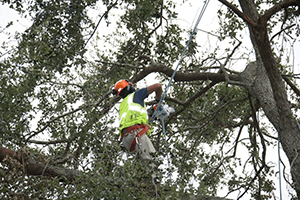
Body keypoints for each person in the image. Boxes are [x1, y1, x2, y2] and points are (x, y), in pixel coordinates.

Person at [112, 79, 162, 160]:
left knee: (143, 168)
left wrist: (152, 113)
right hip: (135, 133)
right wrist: (159, 101)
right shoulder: (136, 95)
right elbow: (158, 86)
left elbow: (137, 121)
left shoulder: (123, 105)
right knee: (153, 163)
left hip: (126, 140)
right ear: (128, 87)